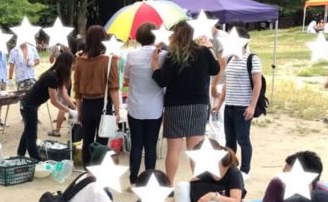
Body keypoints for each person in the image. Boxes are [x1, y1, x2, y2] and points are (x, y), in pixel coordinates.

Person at [151, 21, 220, 185]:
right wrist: (210, 47)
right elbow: (216, 69)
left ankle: (169, 184)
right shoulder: (203, 52)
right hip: (199, 105)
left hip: (175, 106)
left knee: (173, 150)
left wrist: (155, 65)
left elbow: (162, 81)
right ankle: (197, 183)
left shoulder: (172, 55)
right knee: (195, 149)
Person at [212, 27, 261, 178]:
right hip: (229, 106)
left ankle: (245, 171)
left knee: (243, 140)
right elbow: (228, 83)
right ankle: (231, 168)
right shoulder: (230, 59)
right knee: (230, 140)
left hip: (243, 107)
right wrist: (219, 103)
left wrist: (252, 106)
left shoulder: (252, 59)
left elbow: (257, 84)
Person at [123, 23, 166, 182]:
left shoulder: (131, 55)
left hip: (135, 106)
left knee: (136, 144)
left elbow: (126, 79)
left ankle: (133, 179)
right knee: (150, 145)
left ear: (139, 37)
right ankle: (149, 180)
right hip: (155, 108)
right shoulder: (163, 56)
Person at [175, 138, 244, 202]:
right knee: (182, 186)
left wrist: (213, 196)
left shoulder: (233, 173)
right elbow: (187, 188)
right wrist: (173, 201)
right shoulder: (206, 171)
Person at [74, 25, 120, 167]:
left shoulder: (80, 60)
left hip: (86, 105)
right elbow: (113, 89)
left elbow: (77, 90)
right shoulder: (110, 60)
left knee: (87, 140)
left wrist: (79, 111)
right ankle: (100, 171)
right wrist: (118, 111)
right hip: (104, 105)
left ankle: (87, 170)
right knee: (102, 142)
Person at [17, 51, 75, 160]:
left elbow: (64, 95)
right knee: (31, 134)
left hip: (32, 105)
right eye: (72, 64)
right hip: (28, 106)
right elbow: (54, 101)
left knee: (28, 130)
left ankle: (20, 154)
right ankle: (35, 159)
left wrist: (75, 108)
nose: (73, 67)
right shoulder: (52, 76)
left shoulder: (58, 76)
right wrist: (70, 111)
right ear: (66, 64)